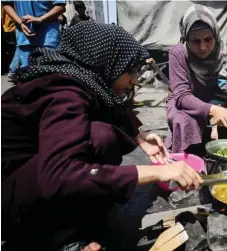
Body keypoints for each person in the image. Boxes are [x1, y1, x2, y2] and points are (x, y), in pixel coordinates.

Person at [1, 22, 203, 251]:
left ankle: (79, 222)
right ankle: (56, 236)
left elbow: (106, 113)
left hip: (29, 182)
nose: (135, 80)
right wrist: (156, 172)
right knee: (100, 137)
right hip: (9, 202)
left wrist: (137, 136)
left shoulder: (80, 77)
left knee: (103, 133)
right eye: (129, 70)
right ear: (106, 62)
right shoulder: (64, 92)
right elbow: (57, 174)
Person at [165, 4, 227, 154]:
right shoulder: (179, 53)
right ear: (186, 37)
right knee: (182, 119)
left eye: (208, 39)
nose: (203, 47)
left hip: (217, 100)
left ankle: (220, 141)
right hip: (189, 104)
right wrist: (212, 110)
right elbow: (181, 96)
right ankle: (188, 152)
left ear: (216, 34)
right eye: (195, 41)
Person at [2, 0, 66, 71]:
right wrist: (20, 23)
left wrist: (40, 19)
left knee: (50, 70)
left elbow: (60, 6)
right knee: (26, 72)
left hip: (48, 36)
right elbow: (6, 4)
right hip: (25, 36)